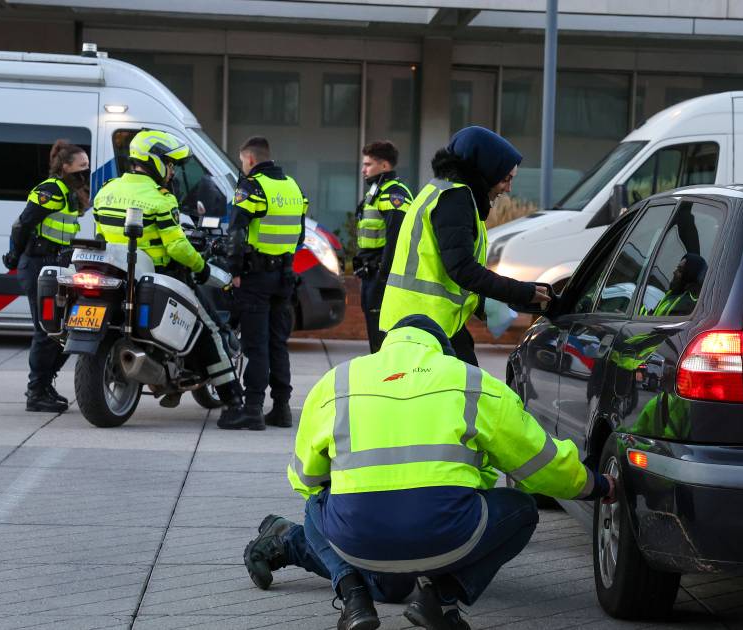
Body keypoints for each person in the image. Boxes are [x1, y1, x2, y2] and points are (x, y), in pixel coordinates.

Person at [243, 315, 616, 630]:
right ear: (441, 349)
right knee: (522, 509)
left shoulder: (338, 382)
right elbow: (541, 464)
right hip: (447, 532)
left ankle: (351, 591)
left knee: (318, 507)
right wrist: (594, 485)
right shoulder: (470, 381)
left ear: (388, 346)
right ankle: (441, 597)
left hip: (358, 536)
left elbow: (304, 480)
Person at [91, 129, 249, 426]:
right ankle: (234, 401)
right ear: (153, 161)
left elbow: (100, 233)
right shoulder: (161, 200)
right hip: (160, 275)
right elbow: (177, 246)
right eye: (169, 162)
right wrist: (201, 267)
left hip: (115, 272)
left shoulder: (105, 191)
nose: (172, 169)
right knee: (211, 328)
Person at [379, 126, 550, 366]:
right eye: (505, 178)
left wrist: (485, 303)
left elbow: (446, 268)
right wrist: (522, 292)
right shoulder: (454, 199)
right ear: (486, 170)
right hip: (425, 326)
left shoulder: (444, 191)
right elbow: (462, 269)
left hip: (421, 323)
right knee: (462, 393)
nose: (508, 188)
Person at [224, 136, 308, 430]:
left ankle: (253, 408)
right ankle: (282, 408)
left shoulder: (252, 187)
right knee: (277, 344)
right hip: (284, 276)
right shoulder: (293, 187)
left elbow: (236, 231)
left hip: (256, 277)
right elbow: (300, 236)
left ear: (249, 159)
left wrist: (234, 269)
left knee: (255, 345)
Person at [3, 140, 89, 413]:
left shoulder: (69, 191)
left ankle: (45, 385)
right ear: (65, 166)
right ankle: (36, 392)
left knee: (65, 330)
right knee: (46, 331)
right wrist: (13, 256)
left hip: (57, 264)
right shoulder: (50, 190)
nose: (85, 171)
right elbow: (23, 224)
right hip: (39, 264)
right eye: (81, 166)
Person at [353, 141, 412, 353]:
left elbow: (396, 239)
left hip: (382, 277)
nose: (363, 169)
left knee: (383, 339)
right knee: (375, 335)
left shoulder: (394, 194)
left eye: (368, 164)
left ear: (385, 166)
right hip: (372, 274)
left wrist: (384, 275)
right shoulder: (376, 192)